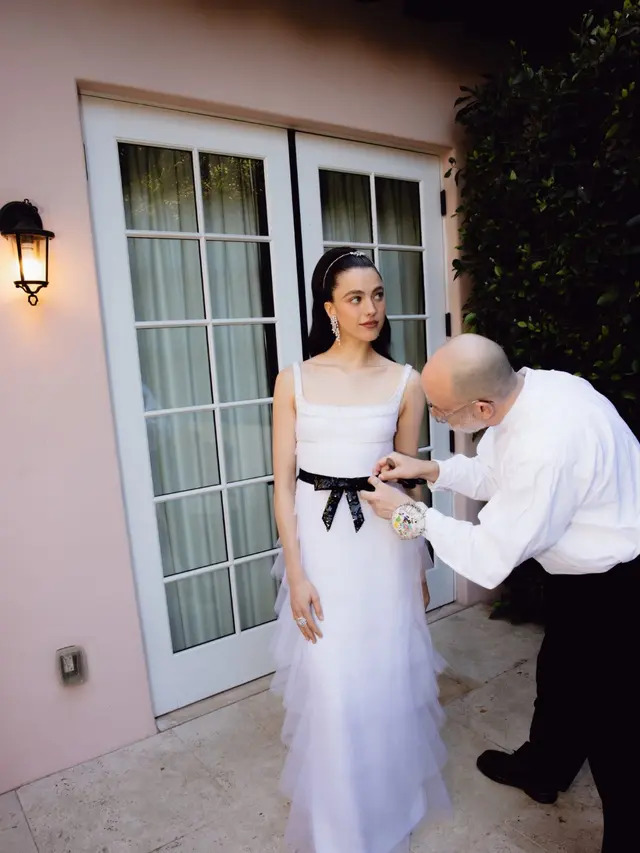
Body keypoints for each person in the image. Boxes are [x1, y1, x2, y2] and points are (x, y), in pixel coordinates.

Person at [361, 333, 640, 853]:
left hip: (616, 587)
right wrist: (433, 470)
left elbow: (487, 557)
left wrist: (406, 514)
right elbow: (496, 474)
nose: (440, 420)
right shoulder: (537, 389)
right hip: (583, 580)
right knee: (559, 675)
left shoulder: (545, 448)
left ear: (482, 405)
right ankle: (545, 767)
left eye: (443, 414)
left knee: (615, 729)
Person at [270, 248, 449, 853]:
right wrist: (296, 573)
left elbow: (408, 480)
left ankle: (390, 802)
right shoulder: (293, 378)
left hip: (383, 552)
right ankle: (341, 826)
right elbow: (283, 486)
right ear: (329, 310)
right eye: (355, 298)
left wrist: (417, 556)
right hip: (321, 553)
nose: (370, 308)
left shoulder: (406, 380)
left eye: (377, 295)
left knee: (384, 675)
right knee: (334, 681)